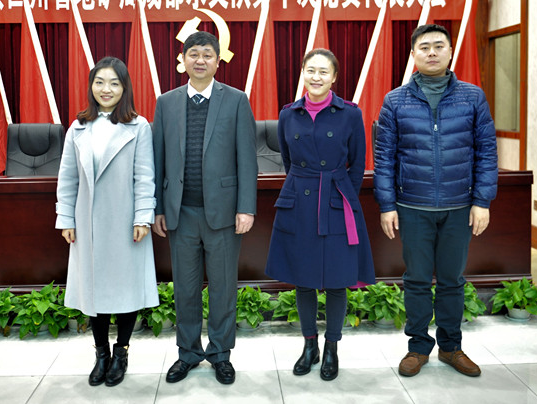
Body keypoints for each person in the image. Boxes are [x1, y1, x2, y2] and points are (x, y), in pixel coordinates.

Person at [374, 24, 498, 378]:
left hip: (459, 207)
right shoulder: (395, 100)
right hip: (413, 206)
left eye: (438, 46)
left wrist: (482, 200)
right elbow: (384, 157)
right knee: (416, 280)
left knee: (451, 280)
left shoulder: (472, 97)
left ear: (450, 51)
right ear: (413, 54)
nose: (432, 52)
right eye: (424, 47)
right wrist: (387, 205)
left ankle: (451, 347)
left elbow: (486, 151)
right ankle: (417, 347)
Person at [152, 30, 257, 385]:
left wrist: (246, 207)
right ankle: (188, 353)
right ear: (183, 60)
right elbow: (158, 159)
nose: (200, 60)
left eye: (207, 54)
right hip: (180, 212)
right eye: (193, 54)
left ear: (218, 60)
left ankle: (220, 354)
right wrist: (158, 208)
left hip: (224, 214)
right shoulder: (166, 103)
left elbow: (247, 159)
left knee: (223, 287)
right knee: (185, 288)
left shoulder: (236, 100)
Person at [265, 48, 376, 381]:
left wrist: (342, 197)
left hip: (337, 200)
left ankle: (331, 348)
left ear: (334, 77)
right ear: (303, 73)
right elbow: (288, 161)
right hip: (299, 202)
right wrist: (304, 186)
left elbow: (357, 163)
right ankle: (309, 345)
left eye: (323, 72)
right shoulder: (289, 114)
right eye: (310, 70)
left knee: (338, 280)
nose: (316, 77)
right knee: (303, 280)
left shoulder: (350, 113)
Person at [55, 56, 158, 388]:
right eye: (99, 82)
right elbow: (67, 178)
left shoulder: (138, 126)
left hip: (126, 223)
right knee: (93, 290)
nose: (106, 89)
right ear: (91, 86)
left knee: (126, 290)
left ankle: (121, 352)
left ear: (124, 88)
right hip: (87, 224)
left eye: (114, 83)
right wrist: (65, 218)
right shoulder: (78, 127)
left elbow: (145, 176)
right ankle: (101, 354)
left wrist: (143, 217)